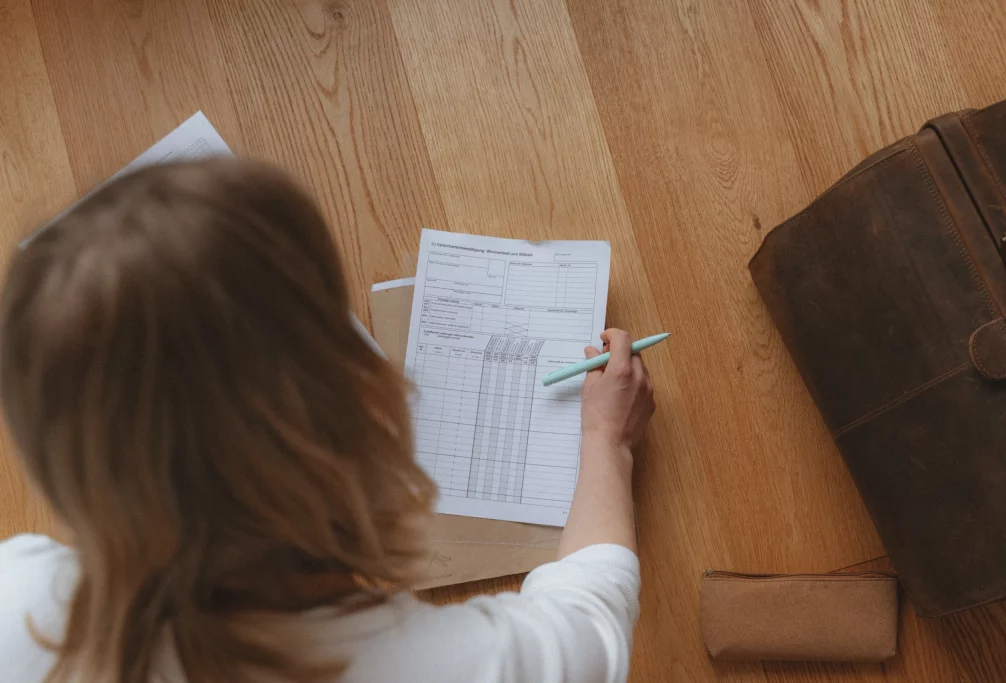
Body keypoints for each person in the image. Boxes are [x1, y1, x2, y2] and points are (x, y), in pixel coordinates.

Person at [0, 159, 655, 683]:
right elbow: (592, 620)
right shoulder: (444, 665)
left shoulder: (17, 601)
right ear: (360, 399)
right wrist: (606, 442)